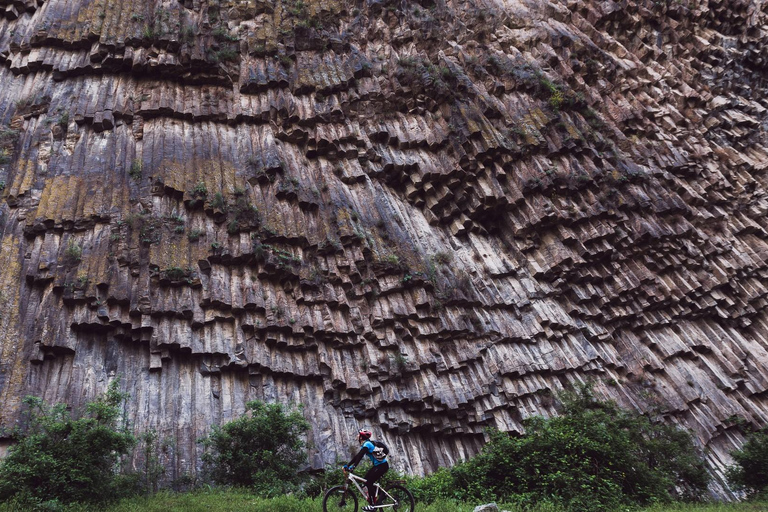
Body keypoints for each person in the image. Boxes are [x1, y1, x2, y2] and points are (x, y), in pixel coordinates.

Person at [343, 428, 389, 511]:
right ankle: (381, 496)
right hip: (378, 466)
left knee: (369, 482)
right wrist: (348, 465)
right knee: (365, 481)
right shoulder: (366, 444)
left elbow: (360, 457)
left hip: (382, 466)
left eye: (358, 435)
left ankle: (372, 506)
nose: (357, 436)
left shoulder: (367, 444)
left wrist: (353, 467)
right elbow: (357, 456)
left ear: (361, 437)